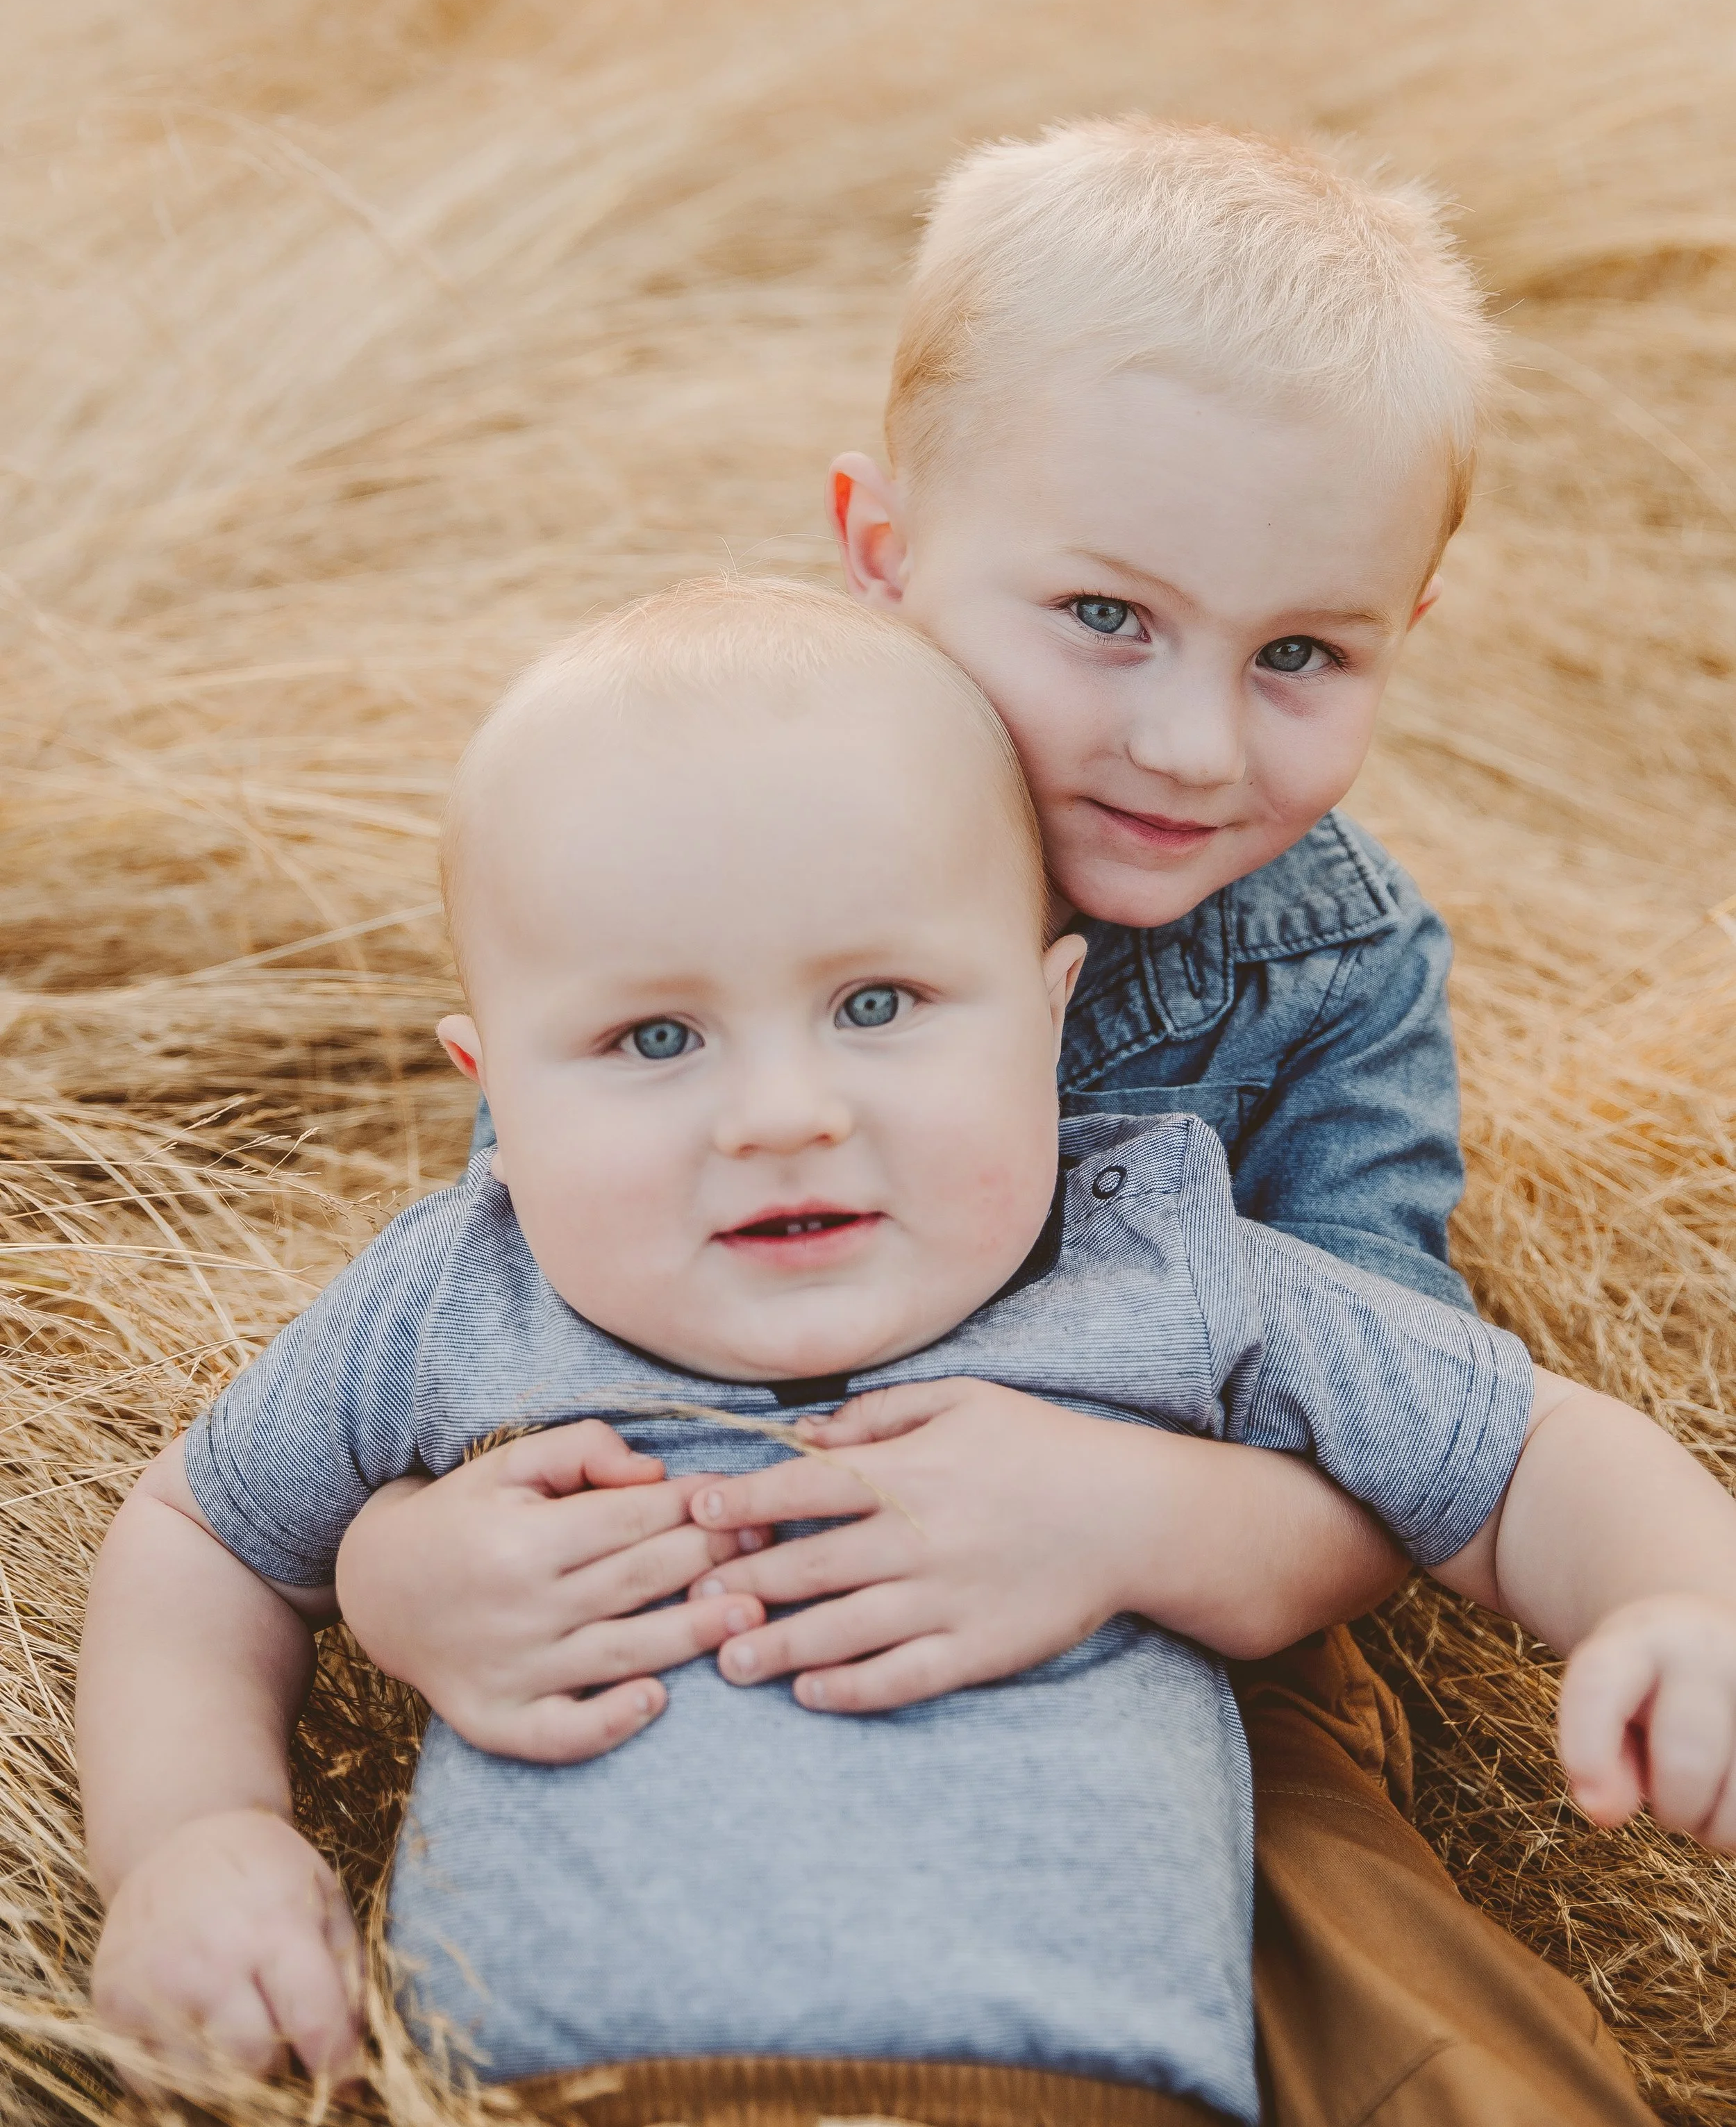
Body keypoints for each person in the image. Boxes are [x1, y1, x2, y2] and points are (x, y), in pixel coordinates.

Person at [333, 123, 1651, 2119]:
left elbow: (1406, 1422)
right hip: (718, 1619)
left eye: (1297, 651)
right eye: (1106, 617)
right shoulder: (703, 805)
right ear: (885, 551)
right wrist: (398, 1572)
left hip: (1194, 1644)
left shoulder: (1331, 963)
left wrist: (1119, 1520)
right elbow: (520, 1300)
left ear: (1409, 619)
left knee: (1408, 2019)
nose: (1190, 741)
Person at [78, 585, 1734, 2127]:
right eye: (655, 1039)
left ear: (1046, 1006)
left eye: (877, 1005)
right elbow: (203, 1538)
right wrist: (192, 1837)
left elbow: (1516, 1457)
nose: (785, 1113)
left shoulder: (1154, 1255)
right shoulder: (462, 1293)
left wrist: (1677, 1600)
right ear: (495, 1091)